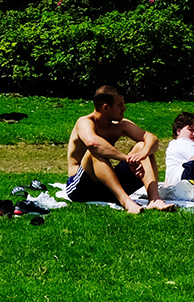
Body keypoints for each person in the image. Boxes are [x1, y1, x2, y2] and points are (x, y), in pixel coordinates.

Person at [63, 84, 174, 213]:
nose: (124, 108)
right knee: (93, 151)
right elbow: (93, 143)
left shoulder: (120, 125)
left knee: (142, 145)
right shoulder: (84, 122)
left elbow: (151, 138)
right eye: (120, 105)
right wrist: (127, 159)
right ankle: (126, 202)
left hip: (108, 187)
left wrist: (143, 153)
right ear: (106, 107)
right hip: (82, 188)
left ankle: (154, 200)